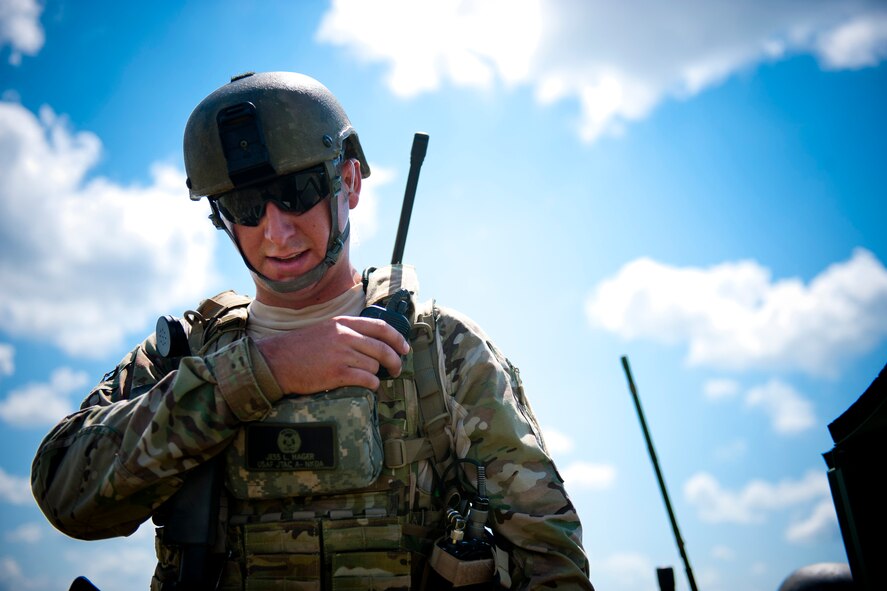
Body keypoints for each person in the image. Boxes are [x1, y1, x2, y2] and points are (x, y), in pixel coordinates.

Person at [31, 71, 593, 590]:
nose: (276, 231)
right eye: (246, 206)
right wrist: (256, 373)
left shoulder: (440, 353)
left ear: (348, 182)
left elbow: (548, 558)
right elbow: (63, 491)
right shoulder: (186, 355)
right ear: (220, 217)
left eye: (296, 192)